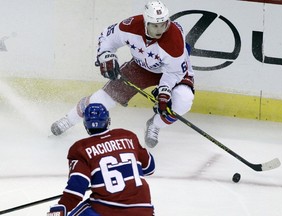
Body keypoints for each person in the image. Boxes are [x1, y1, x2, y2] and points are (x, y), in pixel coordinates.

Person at [51, 0, 195, 148]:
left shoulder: (174, 40)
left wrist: (164, 93)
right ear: (146, 23)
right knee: (104, 98)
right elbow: (107, 37)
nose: (160, 29)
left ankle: (155, 124)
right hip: (141, 68)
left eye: (163, 24)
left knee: (183, 101)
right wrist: (106, 56)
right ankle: (69, 119)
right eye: (155, 25)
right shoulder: (131, 26)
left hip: (175, 71)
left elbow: (174, 72)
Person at [47, 103, 156, 216]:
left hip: (107, 209)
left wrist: (63, 205)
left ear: (86, 124)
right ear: (108, 121)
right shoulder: (128, 136)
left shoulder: (81, 148)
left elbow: (77, 187)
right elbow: (149, 168)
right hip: (144, 210)